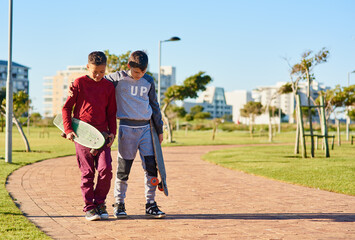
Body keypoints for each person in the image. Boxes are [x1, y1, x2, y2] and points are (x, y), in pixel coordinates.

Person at [105, 50, 166, 219]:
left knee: (151, 168)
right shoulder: (116, 78)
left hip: (147, 129)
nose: (140, 75)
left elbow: (155, 106)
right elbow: (95, 82)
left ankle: (151, 204)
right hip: (127, 129)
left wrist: (159, 130)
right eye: (137, 72)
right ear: (129, 66)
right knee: (123, 169)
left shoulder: (148, 80)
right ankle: (119, 203)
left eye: (143, 72)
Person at [62, 51, 117, 221]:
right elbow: (66, 109)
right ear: (87, 67)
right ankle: (89, 207)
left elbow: (111, 113)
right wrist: (69, 129)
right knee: (87, 172)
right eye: (95, 72)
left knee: (105, 170)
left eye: (102, 71)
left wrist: (112, 133)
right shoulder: (79, 83)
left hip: (102, 136)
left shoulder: (108, 87)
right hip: (82, 136)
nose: (99, 75)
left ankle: (100, 203)